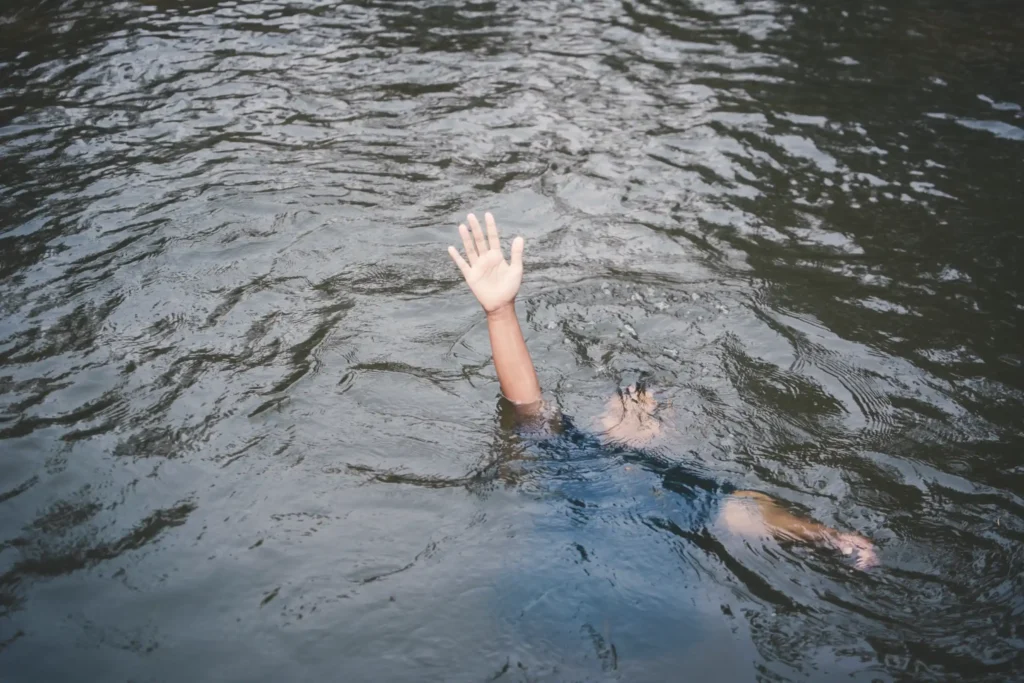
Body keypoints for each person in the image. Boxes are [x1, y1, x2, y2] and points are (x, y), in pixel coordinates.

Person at [447, 212, 878, 570]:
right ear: (599, 419)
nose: (637, 409)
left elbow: (746, 513)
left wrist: (825, 536)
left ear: (673, 435)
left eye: (652, 410)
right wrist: (500, 312)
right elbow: (525, 403)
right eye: (626, 402)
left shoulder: (677, 484)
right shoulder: (574, 452)